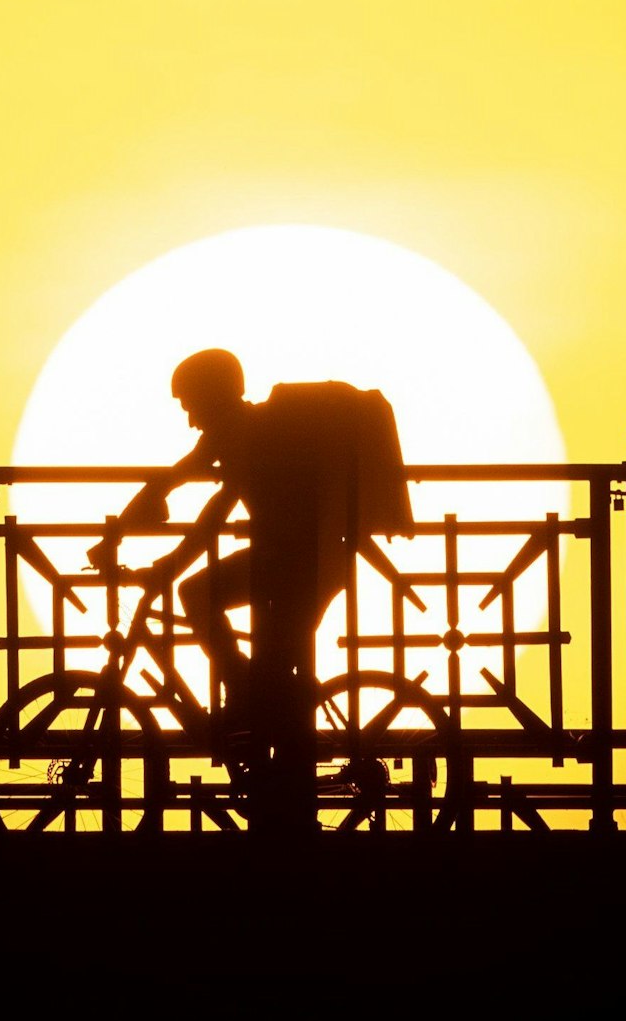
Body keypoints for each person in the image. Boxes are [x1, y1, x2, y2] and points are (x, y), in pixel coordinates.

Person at [86, 349, 412, 825]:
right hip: (290, 559)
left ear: (215, 395)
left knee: (264, 662)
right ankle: (250, 704)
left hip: (303, 565)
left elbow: (212, 513)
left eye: (191, 404)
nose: (189, 418)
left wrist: (164, 564)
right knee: (217, 615)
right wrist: (115, 537)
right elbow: (173, 481)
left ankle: (271, 748)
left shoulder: (248, 434)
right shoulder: (234, 430)